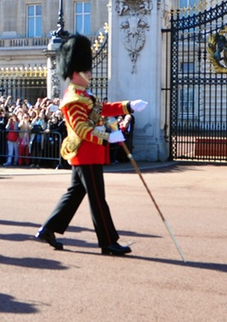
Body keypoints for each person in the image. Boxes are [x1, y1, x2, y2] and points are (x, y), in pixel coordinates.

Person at [35, 34, 147, 256]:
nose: (90, 74)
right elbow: (81, 129)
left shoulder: (83, 95)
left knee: (74, 194)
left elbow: (102, 109)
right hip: (86, 153)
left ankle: (48, 229)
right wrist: (108, 137)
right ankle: (108, 242)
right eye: (87, 71)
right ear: (76, 73)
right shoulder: (73, 99)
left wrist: (128, 106)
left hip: (87, 153)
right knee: (98, 199)